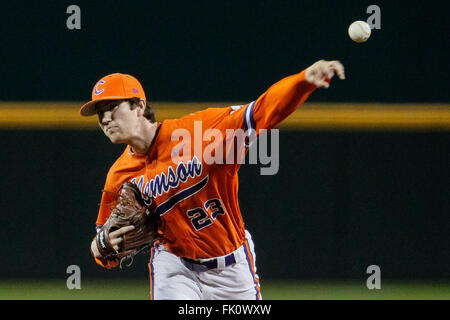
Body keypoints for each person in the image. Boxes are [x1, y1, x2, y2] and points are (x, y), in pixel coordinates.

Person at [82, 60, 345, 300]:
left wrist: (303, 82)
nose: (105, 119)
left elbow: (261, 112)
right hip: (174, 267)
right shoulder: (118, 176)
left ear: (139, 106)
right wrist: (99, 246)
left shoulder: (199, 132)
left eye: (112, 107)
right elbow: (104, 246)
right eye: (100, 113)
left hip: (232, 266)